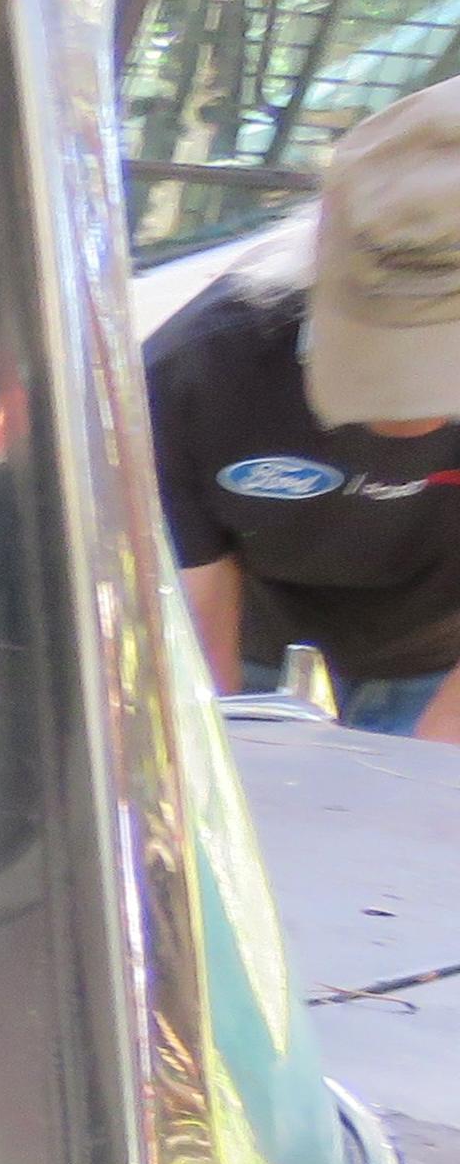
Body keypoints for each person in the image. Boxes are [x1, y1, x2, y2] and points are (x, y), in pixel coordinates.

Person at [148, 76, 460, 740]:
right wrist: (217, 748)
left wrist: (422, 787)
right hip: (262, 618)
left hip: (440, 646)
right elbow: (198, 597)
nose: (409, 421)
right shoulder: (195, 371)